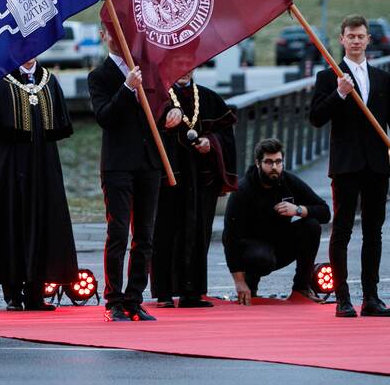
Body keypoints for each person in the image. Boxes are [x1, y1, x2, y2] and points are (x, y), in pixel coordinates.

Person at [309, 14, 390, 318]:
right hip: (345, 165)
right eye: (351, 36)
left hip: (376, 166)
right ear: (342, 40)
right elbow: (316, 117)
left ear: (368, 40)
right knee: (342, 231)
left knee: (374, 232)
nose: (356, 41)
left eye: (361, 36)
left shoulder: (383, 79)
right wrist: (339, 94)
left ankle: (371, 298)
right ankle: (342, 299)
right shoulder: (328, 76)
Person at [0, 57, 78, 311]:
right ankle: (13, 293)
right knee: (9, 222)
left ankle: (36, 292)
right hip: (5, 165)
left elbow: (57, 128)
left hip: (42, 165)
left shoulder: (48, 80)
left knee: (41, 223)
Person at [88, 25, 162, 322]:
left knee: (144, 235)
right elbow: (105, 117)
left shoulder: (148, 69)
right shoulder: (100, 76)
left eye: (123, 33)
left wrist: (171, 112)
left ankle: (134, 298)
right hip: (118, 163)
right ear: (104, 36)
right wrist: (128, 87)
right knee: (118, 232)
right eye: (111, 33)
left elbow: (162, 103)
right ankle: (113, 300)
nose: (119, 39)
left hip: (149, 162)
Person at [152, 70, 238, 308]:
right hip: (170, 178)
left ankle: (193, 291)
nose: (183, 70)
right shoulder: (158, 99)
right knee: (166, 231)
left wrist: (212, 143)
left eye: (189, 64)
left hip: (202, 178)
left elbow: (226, 134)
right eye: (177, 64)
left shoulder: (209, 98)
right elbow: (148, 132)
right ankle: (164, 293)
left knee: (199, 230)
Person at [222, 138, 331, 306]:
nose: (274, 167)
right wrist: (239, 281)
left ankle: (301, 288)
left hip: (280, 245)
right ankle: (250, 285)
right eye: (269, 162)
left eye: (278, 162)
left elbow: (325, 212)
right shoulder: (243, 190)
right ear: (258, 163)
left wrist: (298, 210)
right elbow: (229, 239)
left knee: (311, 226)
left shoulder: (288, 181)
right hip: (253, 250)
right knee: (261, 257)